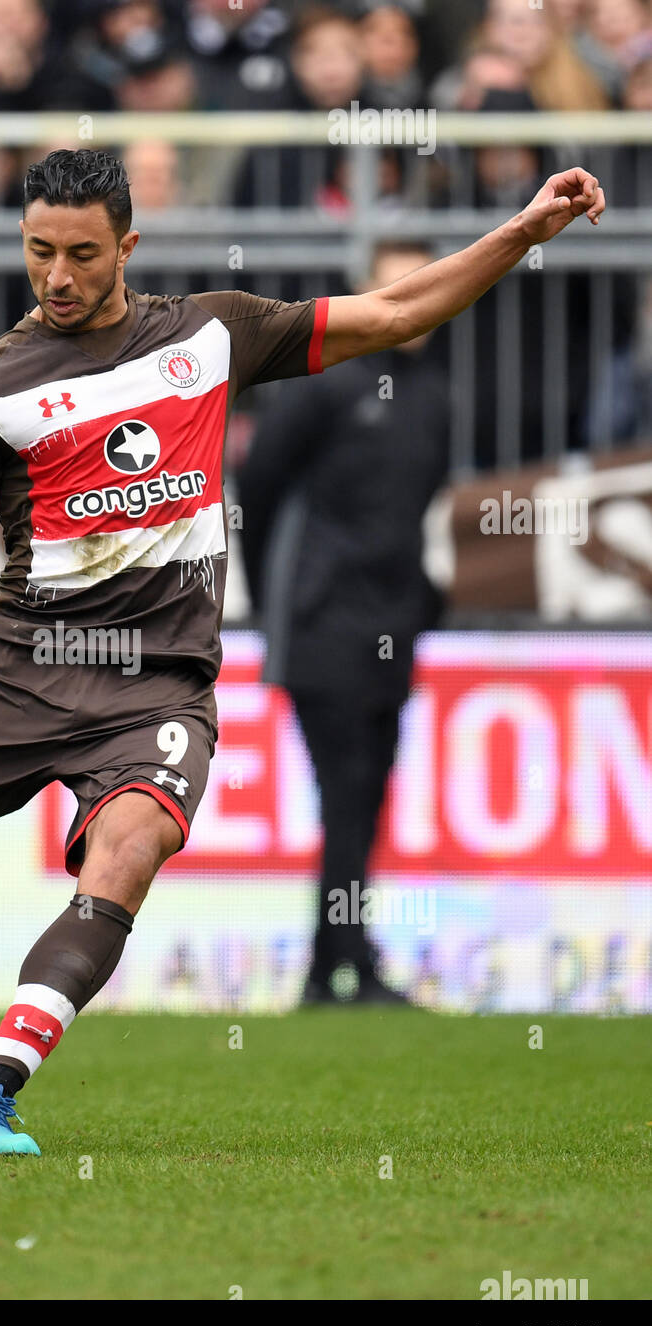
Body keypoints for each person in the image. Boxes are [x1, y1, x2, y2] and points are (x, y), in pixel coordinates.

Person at [0, 147, 606, 1155]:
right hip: (16, 667)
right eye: (37, 251)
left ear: (126, 247)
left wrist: (519, 232)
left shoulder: (208, 333)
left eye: (80, 254)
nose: (56, 275)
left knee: (131, 846)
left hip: (153, 691)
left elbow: (394, 314)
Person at [237, 242, 450, 1007]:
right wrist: (277, 601)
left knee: (366, 795)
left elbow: (421, 510)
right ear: (362, 291)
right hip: (323, 620)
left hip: (392, 623)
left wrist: (423, 599)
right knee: (348, 786)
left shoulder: (435, 393)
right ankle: (342, 966)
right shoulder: (321, 382)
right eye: (394, 283)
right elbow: (256, 488)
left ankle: (338, 966)